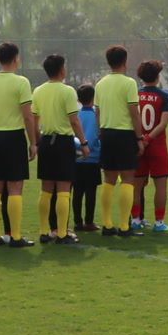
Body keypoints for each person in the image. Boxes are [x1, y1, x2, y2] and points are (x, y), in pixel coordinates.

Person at [0, 42, 37, 247]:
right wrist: (33, 142)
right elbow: (28, 116)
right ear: (16, 58)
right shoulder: (21, 82)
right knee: (15, 188)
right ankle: (15, 236)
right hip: (14, 137)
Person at [32, 52, 82, 243]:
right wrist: (84, 143)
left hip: (45, 141)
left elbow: (34, 121)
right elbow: (74, 120)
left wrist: (38, 141)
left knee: (46, 190)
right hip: (63, 142)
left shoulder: (38, 91)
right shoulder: (67, 91)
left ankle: (44, 232)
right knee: (63, 189)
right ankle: (62, 233)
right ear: (62, 69)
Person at [92, 45, 139, 238]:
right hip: (125, 134)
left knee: (109, 179)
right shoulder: (129, 83)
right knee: (128, 178)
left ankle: (107, 224)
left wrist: (101, 132)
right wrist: (139, 138)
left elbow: (97, 113)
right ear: (125, 62)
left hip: (107, 133)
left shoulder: (100, 84)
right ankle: (124, 226)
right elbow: (134, 113)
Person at [130, 59, 168, 234]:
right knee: (160, 186)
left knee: (136, 186)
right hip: (157, 145)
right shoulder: (163, 96)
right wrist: (148, 138)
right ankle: (159, 222)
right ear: (157, 76)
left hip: (137, 144)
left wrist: (140, 139)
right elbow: (163, 123)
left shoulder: (135, 95)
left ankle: (135, 220)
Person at [72, 83, 101, 235]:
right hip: (93, 159)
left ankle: (77, 222)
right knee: (91, 192)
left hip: (76, 159)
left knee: (77, 192)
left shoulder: (75, 116)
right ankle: (89, 222)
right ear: (93, 98)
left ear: (78, 99)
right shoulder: (97, 116)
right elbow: (99, 137)